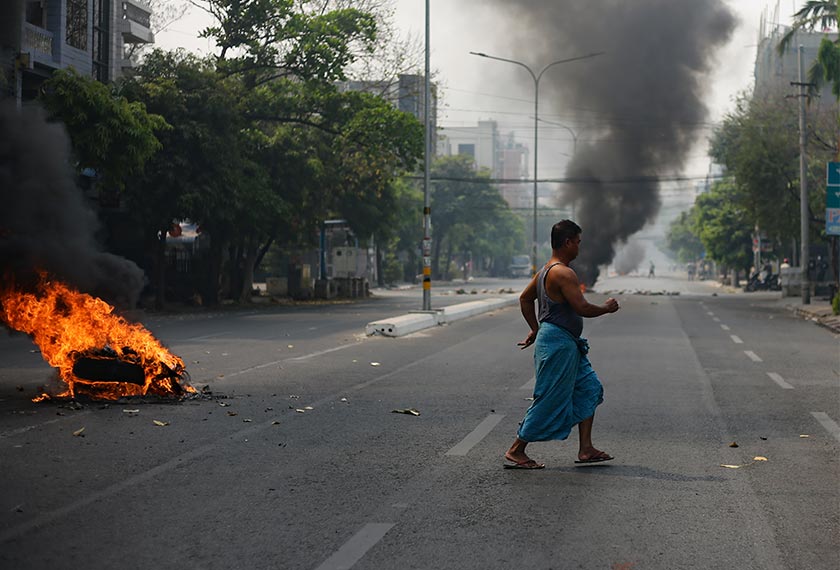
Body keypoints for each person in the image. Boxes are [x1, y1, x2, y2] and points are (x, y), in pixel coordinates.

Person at [504, 220, 620, 469]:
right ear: (567, 242)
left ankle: (586, 449)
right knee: (549, 397)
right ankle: (516, 449)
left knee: (589, 388)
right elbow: (582, 307)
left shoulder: (546, 270)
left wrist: (536, 329)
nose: (579, 247)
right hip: (558, 345)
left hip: (565, 343)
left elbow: (525, 299)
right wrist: (606, 308)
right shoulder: (563, 273)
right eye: (577, 242)